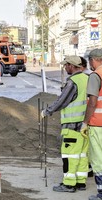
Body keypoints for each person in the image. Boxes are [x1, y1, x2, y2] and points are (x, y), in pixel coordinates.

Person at [41, 55, 89, 192]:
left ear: (73, 66)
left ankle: (69, 184)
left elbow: (62, 101)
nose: (65, 67)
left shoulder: (72, 82)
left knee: (69, 156)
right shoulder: (87, 79)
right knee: (82, 155)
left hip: (71, 126)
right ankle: (80, 182)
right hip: (85, 125)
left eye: (67, 65)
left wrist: (47, 111)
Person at [81, 49, 102, 200]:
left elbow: (93, 102)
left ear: (94, 60)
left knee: (98, 160)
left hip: (98, 124)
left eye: (90, 62)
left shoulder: (96, 75)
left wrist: (85, 122)